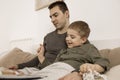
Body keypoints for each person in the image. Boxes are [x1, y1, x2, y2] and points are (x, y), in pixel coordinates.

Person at [1, 21, 110, 80]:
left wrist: (93, 67)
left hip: (66, 69)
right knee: (32, 71)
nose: (67, 39)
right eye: (67, 36)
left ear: (83, 39)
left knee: (49, 76)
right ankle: (14, 73)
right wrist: (40, 56)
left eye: (72, 37)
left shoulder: (89, 48)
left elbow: (103, 61)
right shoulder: (64, 51)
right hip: (52, 67)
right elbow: (51, 65)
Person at [9, 1, 70, 70]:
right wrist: (18, 66)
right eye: (51, 17)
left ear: (66, 14)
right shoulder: (48, 37)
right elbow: (38, 58)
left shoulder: (74, 37)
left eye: (55, 15)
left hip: (53, 71)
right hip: (37, 70)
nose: (52, 20)